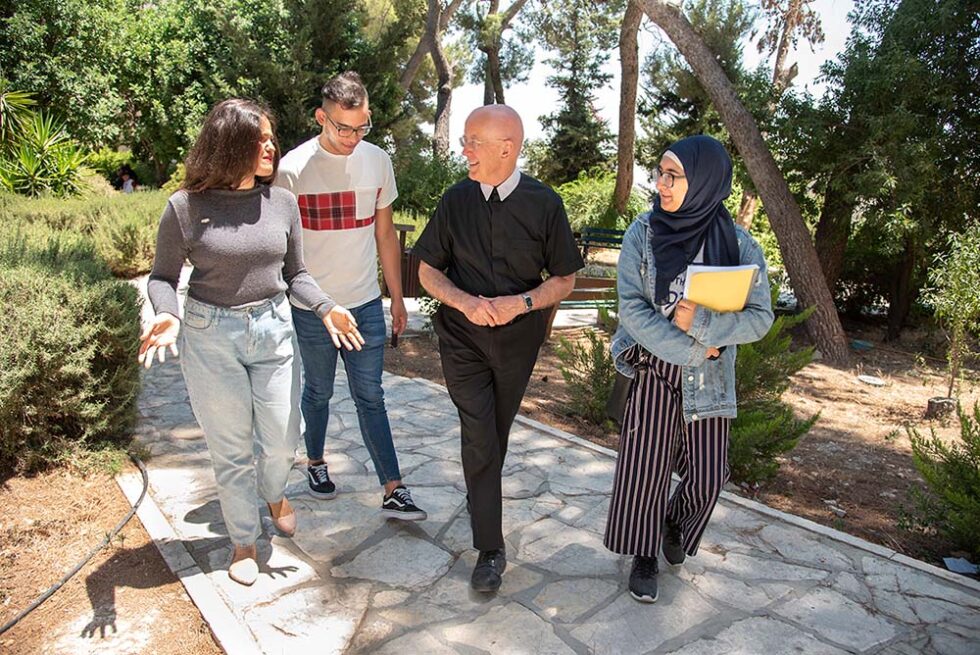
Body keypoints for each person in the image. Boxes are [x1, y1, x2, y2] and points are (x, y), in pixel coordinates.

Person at [139, 99, 364, 587]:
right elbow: (162, 277)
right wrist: (167, 314)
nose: (270, 147)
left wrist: (326, 306)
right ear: (229, 143)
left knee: (285, 439)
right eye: (259, 139)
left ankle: (274, 491)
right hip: (209, 334)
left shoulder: (281, 201)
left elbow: (296, 273)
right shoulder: (185, 207)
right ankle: (244, 541)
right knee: (232, 448)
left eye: (271, 138)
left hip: (274, 328)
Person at [414, 105, 584, 592]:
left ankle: (480, 492)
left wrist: (522, 302)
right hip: (461, 338)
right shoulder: (454, 201)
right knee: (480, 434)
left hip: (518, 342)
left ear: (506, 148)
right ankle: (490, 549)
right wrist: (465, 302)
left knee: (496, 432)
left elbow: (565, 277)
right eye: (464, 140)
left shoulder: (545, 204)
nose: (462, 149)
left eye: (472, 141)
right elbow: (427, 269)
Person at [603, 135, 774, 603]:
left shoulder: (738, 244)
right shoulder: (644, 232)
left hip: (711, 380)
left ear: (704, 181)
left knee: (710, 473)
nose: (661, 183)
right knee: (646, 467)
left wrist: (701, 322)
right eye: (659, 172)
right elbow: (633, 312)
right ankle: (643, 554)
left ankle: (673, 522)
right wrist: (695, 349)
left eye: (673, 175)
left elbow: (760, 317)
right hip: (655, 365)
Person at [275, 72, 427, 521]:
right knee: (318, 393)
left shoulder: (378, 161)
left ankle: (393, 487)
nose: (352, 137)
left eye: (362, 127)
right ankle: (316, 463)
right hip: (314, 310)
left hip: (363, 304)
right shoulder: (291, 170)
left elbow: (384, 235)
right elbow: (284, 249)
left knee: (370, 395)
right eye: (343, 127)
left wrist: (396, 297)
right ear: (321, 116)